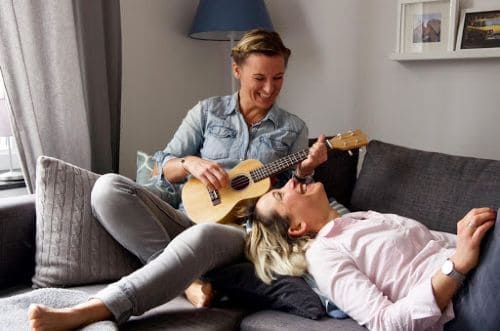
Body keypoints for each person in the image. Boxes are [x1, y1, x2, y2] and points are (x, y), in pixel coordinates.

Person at [27, 29, 328, 330]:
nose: (269, 88)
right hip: (186, 218)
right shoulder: (207, 112)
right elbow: (162, 167)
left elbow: (293, 195)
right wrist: (189, 163)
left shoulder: (293, 128)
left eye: (278, 78)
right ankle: (189, 281)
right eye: (259, 78)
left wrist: (305, 169)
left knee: (204, 235)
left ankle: (95, 309)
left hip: (241, 232)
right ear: (237, 71)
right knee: (107, 188)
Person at [245, 177, 498, 331]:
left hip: (478, 270)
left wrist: (473, 233)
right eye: (280, 193)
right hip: (462, 302)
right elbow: (385, 323)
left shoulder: (357, 219)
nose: (291, 182)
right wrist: (457, 266)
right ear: (297, 227)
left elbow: (436, 240)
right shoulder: (324, 255)